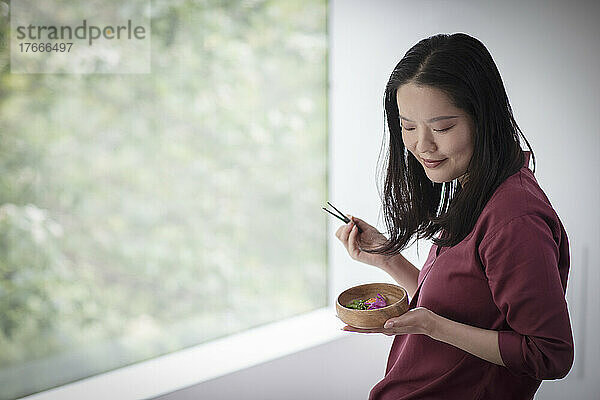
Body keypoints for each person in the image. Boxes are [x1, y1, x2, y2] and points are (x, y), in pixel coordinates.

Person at [335, 33, 574, 400]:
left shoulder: (515, 217)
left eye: (442, 128)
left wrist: (432, 327)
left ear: (484, 118)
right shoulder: (473, 188)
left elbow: (549, 354)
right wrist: (387, 258)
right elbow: (460, 307)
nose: (422, 145)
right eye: (408, 127)